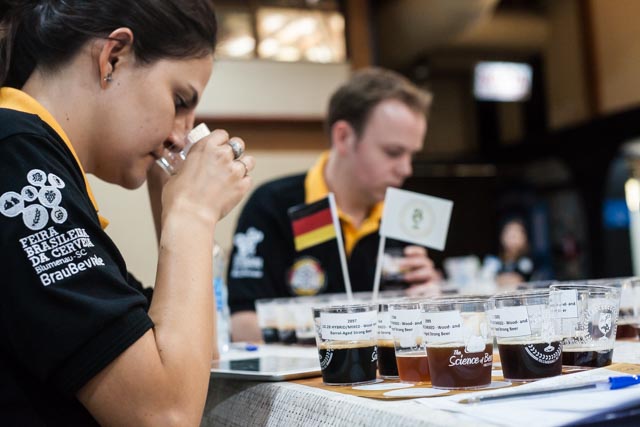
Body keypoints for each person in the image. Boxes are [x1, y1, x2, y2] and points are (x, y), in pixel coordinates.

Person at [0, 1, 254, 425]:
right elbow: (164, 415)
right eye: (179, 100)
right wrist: (192, 213)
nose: (180, 136)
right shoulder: (17, 158)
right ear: (112, 58)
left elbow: (194, 361)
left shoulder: (35, 156)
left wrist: (171, 201)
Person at [227, 67, 440, 342]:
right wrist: (352, 335)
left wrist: (429, 301)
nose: (407, 168)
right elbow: (243, 327)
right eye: (393, 152)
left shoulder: (405, 217)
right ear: (343, 137)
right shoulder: (274, 205)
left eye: (412, 154)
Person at [494, 218, 535, 287]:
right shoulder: (499, 260)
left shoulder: (527, 260)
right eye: (508, 234)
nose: (512, 238)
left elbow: (518, 280)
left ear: (524, 238)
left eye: (515, 235)